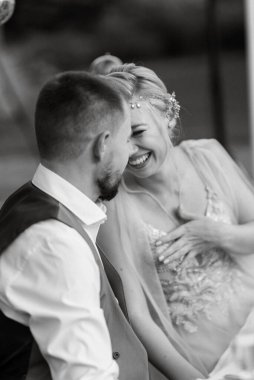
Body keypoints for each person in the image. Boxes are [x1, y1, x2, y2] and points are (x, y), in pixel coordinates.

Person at [0, 71, 167, 380]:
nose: (131, 151)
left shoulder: (30, 200)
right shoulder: (54, 244)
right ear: (103, 144)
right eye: (125, 138)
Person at [97, 63, 254, 380]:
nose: (130, 151)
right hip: (207, 363)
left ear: (168, 116)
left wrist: (215, 234)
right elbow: (136, 314)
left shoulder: (208, 156)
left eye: (138, 133)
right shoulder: (112, 207)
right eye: (119, 139)